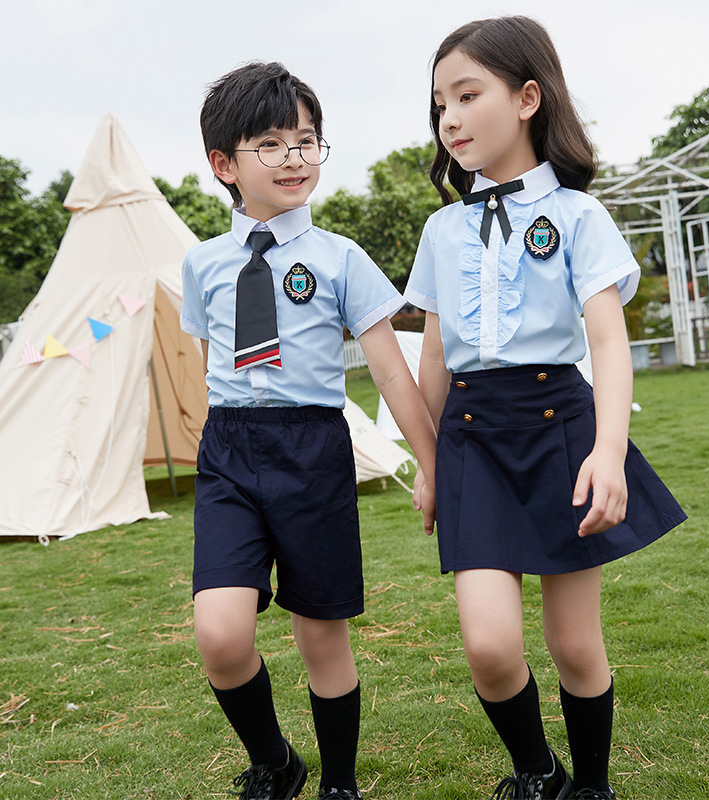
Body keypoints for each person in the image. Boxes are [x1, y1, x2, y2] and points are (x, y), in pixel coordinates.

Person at [405, 17, 686, 800]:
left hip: (562, 427)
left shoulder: (577, 218)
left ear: (528, 97)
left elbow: (608, 343)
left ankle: (591, 787)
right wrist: (426, 464)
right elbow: (433, 352)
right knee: (489, 646)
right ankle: (537, 773)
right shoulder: (441, 228)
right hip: (469, 439)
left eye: (467, 95)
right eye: (439, 105)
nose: (449, 120)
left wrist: (607, 449)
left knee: (572, 642)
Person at [181, 62, 436, 800]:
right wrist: (214, 446)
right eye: (271, 143)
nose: (295, 156)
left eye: (308, 140)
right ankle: (276, 762)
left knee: (321, 634)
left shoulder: (341, 259)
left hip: (313, 450)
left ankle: (341, 784)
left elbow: (392, 375)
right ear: (223, 164)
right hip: (230, 450)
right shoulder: (202, 265)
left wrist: (432, 466)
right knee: (221, 636)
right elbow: (208, 366)